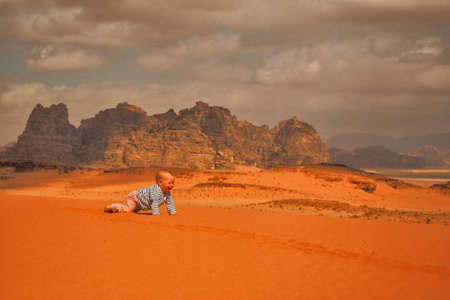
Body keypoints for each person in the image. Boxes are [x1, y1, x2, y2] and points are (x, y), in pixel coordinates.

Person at [104, 170, 176, 215]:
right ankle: (113, 206)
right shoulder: (155, 190)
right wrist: (156, 213)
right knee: (128, 210)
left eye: (173, 183)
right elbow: (153, 202)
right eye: (169, 183)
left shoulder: (167, 193)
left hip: (141, 204)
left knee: (133, 212)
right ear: (160, 182)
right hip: (135, 198)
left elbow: (169, 202)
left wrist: (172, 213)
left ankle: (116, 209)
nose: (172, 185)